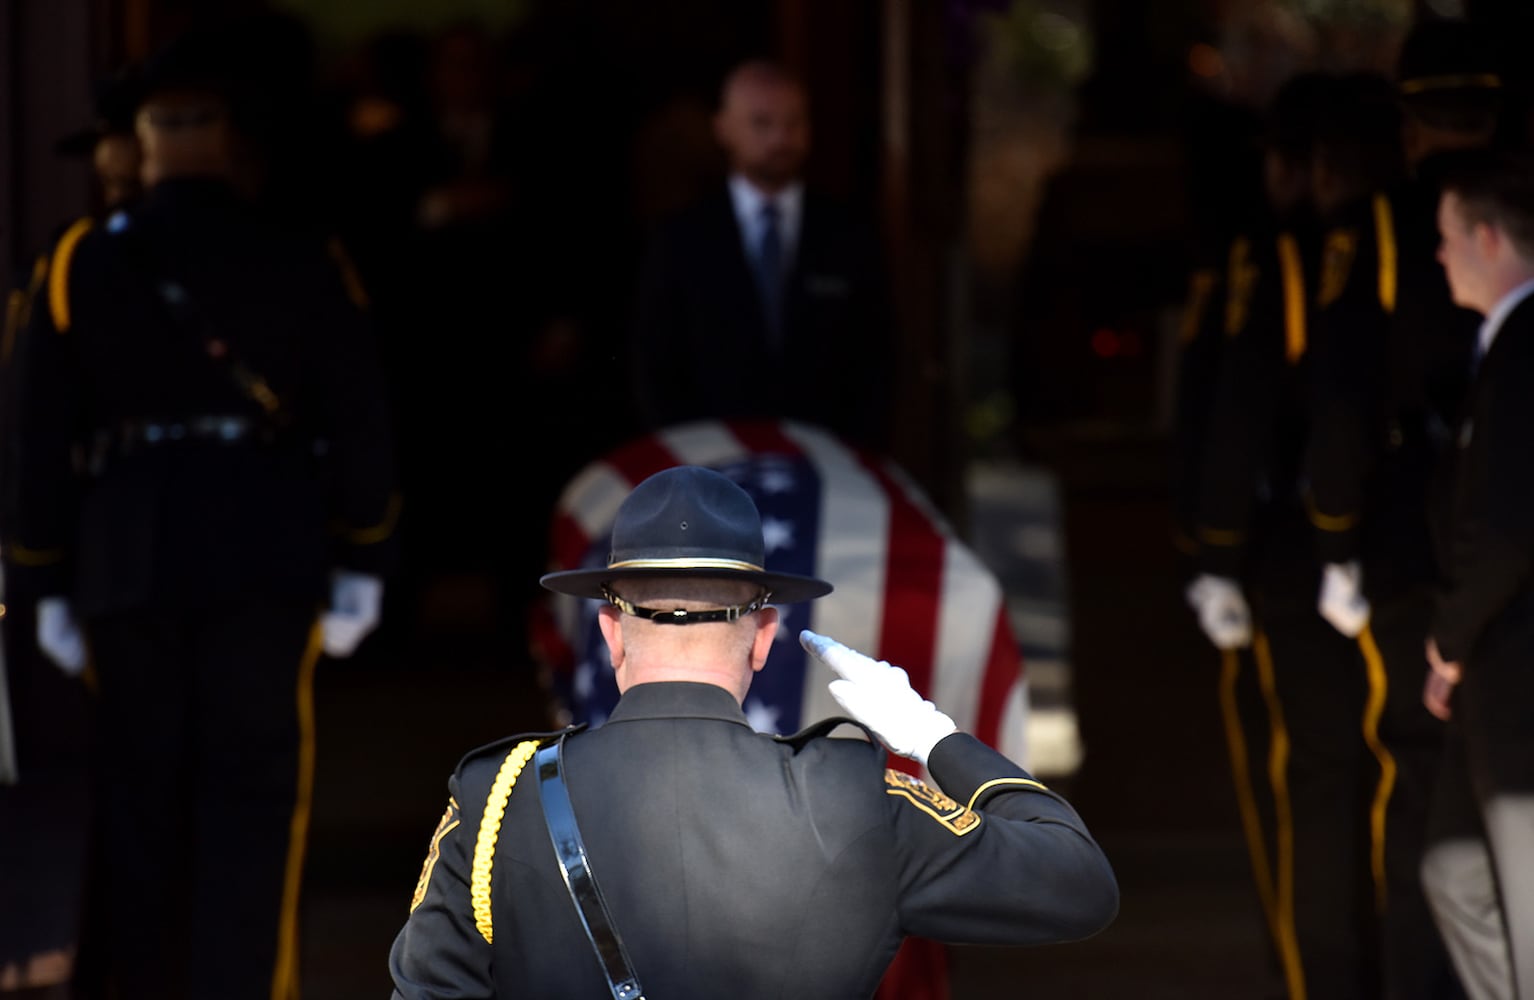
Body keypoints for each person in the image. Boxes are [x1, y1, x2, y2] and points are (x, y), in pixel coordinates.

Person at [388, 464, 1117, 998]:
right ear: (764, 636)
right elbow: (1078, 883)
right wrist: (933, 738)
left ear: (610, 633)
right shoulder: (856, 798)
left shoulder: (499, 800)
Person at [4, 28, 399, 999]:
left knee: (143, 802)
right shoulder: (302, 254)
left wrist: (41, 574)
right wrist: (364, 553)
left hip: (129, 561)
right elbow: (359, 415)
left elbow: (33, 438)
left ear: (140, 143)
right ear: (226, 140)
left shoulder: (80, 262)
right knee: (254, 805)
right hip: (264, 558)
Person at [1302, 20, 1510, 1000]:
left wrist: (1335, 537)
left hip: (1409, 542)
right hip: (1477, 548)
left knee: (1418, 773)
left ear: (1410, 123)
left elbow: (1341, 394)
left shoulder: (1384, 227)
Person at [628, 58, 895, 453]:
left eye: (793, 123)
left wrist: (850, 452)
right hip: (712, 467)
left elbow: (879, 359)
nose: (779, 139)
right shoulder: (681, 239)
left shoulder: (848, 236)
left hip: (830, 465)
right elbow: (655, 366)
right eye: (762, 123)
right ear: (723, 128)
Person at [1418, 147, 1534, 1000]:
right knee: (1455, 872)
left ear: (1490, 240)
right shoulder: (1505, 347)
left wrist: (1449, 643)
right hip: (1498, 664)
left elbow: (1505, 526)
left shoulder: (1525, 350)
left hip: (1517, 665)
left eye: (1448, 237)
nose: (1438, 255)